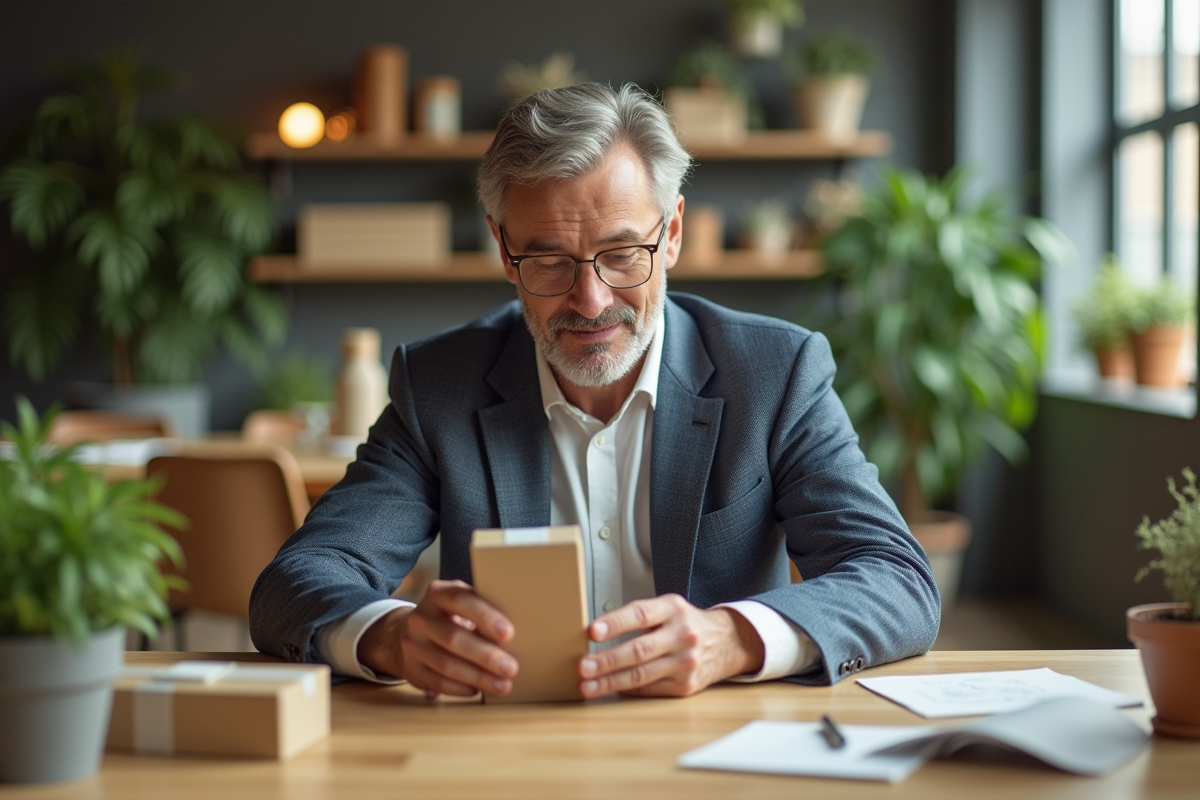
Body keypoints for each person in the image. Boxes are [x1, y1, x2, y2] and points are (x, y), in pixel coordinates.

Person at [249, 83, 939, 699]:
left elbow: (895, 578)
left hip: (720, 749)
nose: (590, 300)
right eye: (550, 261)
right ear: (503, 251)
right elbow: (297, 580)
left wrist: (733, 637)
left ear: (671, 234)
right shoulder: (439, 387)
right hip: (508, 754)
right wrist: (389, 635)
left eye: (622, 254)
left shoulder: (774, 373)